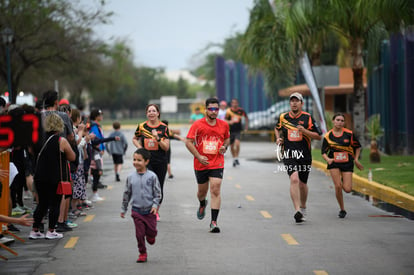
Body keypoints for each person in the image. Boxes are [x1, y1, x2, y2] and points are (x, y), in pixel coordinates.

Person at [274, 92, 322, 223]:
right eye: (292, 101)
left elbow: (319, 136)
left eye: (297, 101)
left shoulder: (308, 118)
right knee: (294, 179)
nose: (294, 103)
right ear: (290, 103)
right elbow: (277, 128)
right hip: (289, 153)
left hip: (304, 155)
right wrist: (278, 138)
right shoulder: (283, 117)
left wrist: (305, 131)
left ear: (302, 103)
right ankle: (297, 210)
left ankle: (303, 207)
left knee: (302, 184)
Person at [185, 97, 230, 233]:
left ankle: (214, 222)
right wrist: (198, 156)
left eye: (216, 109)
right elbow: (188, 142)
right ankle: (202, 203)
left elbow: (227, 138)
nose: (214, 111)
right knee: (201, 192)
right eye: (211, 109)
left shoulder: (224, 125)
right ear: (206, 110)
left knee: (215, 189)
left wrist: (224, 146)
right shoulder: (197, 125)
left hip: (217, 162)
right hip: (201, 163)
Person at [30, 113, 76, 240]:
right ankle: (51, 230)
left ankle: (35, 230)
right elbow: (72, 157)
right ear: (59, 125)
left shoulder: (38, 140)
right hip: (54, 177)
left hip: (39, 176)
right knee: (55, 204)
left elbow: (31, 152)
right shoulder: (61, 141)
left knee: (42, 204)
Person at [121, 148, 161, 263]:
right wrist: (124, 209)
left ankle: (151, 235)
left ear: (146, 162)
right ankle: (142, 252)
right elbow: (126, 193)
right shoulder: (130, 177)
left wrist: (155, 205)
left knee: (151, 233)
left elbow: (157, 193)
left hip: (150, 211)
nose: (136, 162)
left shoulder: (152, 176)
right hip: (136, 211)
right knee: (139, 234)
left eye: (139, 160)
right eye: (134, 159)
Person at [321, 113, 364, 218]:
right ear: (333, 121)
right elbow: (323, 152)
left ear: (344, 123)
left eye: (342, 120)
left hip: (347, 162)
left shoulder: (349, 134)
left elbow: (357, 147)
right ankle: (342, 209)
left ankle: (343, 178)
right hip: (334, 162)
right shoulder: (328, 136)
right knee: (338, 186)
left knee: (348, 189)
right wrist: (328, 159)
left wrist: (356, 159)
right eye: (337, 120)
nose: (339, 122)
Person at [132, 104, 169, 221]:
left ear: (158, 113)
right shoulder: (142, 126)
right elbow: (134, 138)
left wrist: (157, 138)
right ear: (146, 113)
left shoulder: (164, 128)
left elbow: (166, 147)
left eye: (154, 111)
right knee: (148, 186)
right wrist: (140, 149)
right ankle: (147, 210)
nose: (151, 113)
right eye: (149, 111)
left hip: (160, 161)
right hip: (146, 162)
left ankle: (155, 211)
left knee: (158, 187)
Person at [225, 98, 249, 167]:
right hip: (231, 130)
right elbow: (225, 120)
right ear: (231, 104)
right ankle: (234, 158)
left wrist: (246, 127)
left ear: (237, 103)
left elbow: (246, 118)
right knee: (232, 146)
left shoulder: (241, 111)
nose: (234, 104)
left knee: (237, 144)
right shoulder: (228, 111)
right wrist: (230, 122)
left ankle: (236, 157)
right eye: (233, 103)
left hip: (238, 130)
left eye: (236, 103)